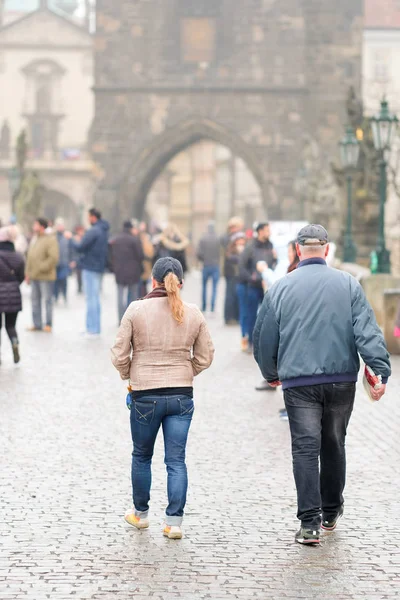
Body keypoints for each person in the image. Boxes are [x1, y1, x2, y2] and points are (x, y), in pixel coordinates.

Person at [253, 224, 391, 546]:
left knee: (304, 448)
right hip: (341, 380)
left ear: (298, 250)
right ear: (326, 250)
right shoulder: (349, 285)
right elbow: (367, 332)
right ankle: (331, 510)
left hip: (299, 383)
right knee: (334, 443)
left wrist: (271, 371)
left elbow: (264, 337)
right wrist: (380, 370)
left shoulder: (280, 288)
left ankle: (310, 524)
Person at [111, 257, 214, 540]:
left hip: (145, 394)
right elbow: (206, 356)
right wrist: (186, 371)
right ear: (180, 283)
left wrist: (129, 375)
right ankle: (174, 523)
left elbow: (119, 353)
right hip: (181, 395)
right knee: (176, 460)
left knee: (142, 456)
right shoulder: (193, 313)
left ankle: (141, 515)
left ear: (152, 281)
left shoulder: (136, 309)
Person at [66, 208, 110, 336]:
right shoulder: (103, 230)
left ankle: (92, 328)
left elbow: (80, 247)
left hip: (90, 267)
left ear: (92, 217)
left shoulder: (94, 230)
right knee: (95, 298)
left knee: (91, 298)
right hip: (98, 267)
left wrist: (71, 239)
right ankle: (95, 327)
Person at [238, 222, 277, 352]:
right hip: (253, 286)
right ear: (260, 231)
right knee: (251, 315)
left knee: (267, 316)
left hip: (267, 287)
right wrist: (252, 277)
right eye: (267, 230)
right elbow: (242, 267)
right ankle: (251, 343)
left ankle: (265, 343)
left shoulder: (271, 245)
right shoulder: (250, 247)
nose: (269, 232)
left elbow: (273, 264)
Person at [26, 218, 59, 333]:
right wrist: (27, 273)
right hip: (34, 276)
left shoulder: (50, 239)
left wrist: (41, 267)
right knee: (35, 301)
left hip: (46, 276)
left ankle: (48, 324)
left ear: (41, 226)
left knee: (47, 300)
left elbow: (53, 258)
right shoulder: (34, 239)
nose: (33, 226)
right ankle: (37, 323)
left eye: (35, 224)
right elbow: (29, 257)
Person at [109, 221, 144, 322]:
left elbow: (110, 256)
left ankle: (121, 319)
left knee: (120, 296)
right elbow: (140, 256)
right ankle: (131, 319)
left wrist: (113, 268)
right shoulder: (134, 240)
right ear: (131, 228)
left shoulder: (116, 239)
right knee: (133, 296)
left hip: (119, 271)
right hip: (133, 272)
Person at [0, 226, 25, 364]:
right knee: (10, 326)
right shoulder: (18, 256)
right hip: (14, 294)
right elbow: (21, 277)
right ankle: (14, 343)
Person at [221, 217, 244, 325]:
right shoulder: (229, 238)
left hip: (231, 270)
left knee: (233, 294)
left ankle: (233, 317)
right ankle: (229, 317)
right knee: (231, 294)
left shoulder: (228, 237)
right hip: (231, 270)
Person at [197, 221, 221, 314]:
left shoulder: (203, 238)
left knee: (204, 287)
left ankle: (203, 306)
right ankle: (212, 307)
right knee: (214, 287)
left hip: (206, 265)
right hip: (215, 265)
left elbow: (199, 253)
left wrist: (203, 259)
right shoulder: (217, 239)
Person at [54, 217, 72, 303]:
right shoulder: (53, 237)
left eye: (61, 225)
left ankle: (64, 296)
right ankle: (56, 296)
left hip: (64, 262)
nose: (60, 227)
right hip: (55, 263)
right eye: (58, 225)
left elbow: (71, 249)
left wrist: (72, 260)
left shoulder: (67, 236)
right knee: (55, 282)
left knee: (64, 281)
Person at [138, 221, 155, 297]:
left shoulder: (147, 240)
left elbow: (151, 253)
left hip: (145, 267)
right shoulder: (138, 239)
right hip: (141, 267)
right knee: (142, 286)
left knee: (143, 286)